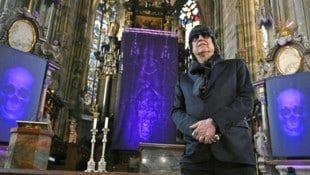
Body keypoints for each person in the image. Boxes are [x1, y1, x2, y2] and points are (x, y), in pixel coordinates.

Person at [171, 25, 256, 175]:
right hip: (195, 157)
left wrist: (215, 123)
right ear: (191, 48)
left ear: (214, 44)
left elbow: (246, 99)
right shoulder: (183, 79)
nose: (200, 39)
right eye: (195, 38)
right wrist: (197, 130)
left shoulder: (236, 66)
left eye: (205, 35)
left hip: (234, 153)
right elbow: (176, 111)